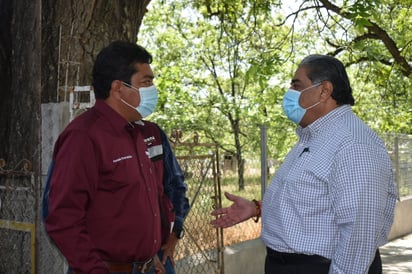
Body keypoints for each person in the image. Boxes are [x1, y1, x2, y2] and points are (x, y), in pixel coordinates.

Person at [211, 54, 397, 274]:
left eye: (296, 85)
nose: (289, 92)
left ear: (324, 90)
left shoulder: (353, 143)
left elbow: (360, 230)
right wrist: (257, 208)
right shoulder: (314, 137)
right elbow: (311, 200)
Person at [44, 41, 189, 274]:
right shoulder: (84, 136)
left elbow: (164, 195)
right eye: (146, 82)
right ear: (118, 87)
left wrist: (158, 253)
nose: (153, 89)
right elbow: (62, 218)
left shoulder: (142, 132)